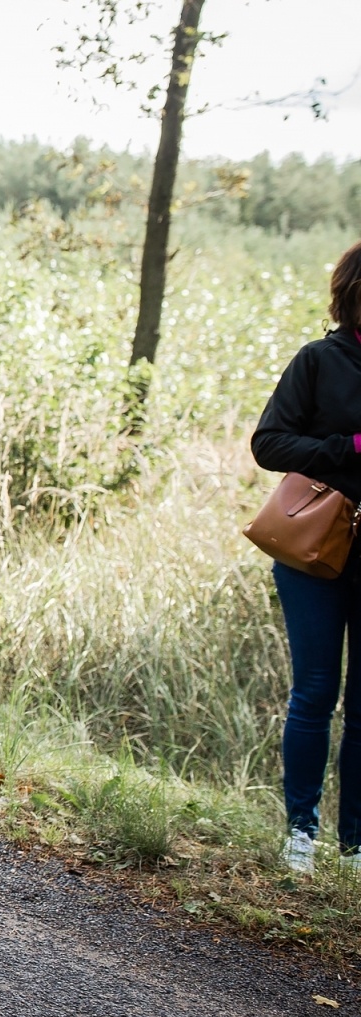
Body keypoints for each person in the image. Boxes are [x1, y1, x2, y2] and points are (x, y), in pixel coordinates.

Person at [250, 238, 361, 877]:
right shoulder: (319, 360)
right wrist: (350, 448)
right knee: (315, 693)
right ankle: (301, 832)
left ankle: (355, 845)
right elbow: (269, 443)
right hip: (313, 551)